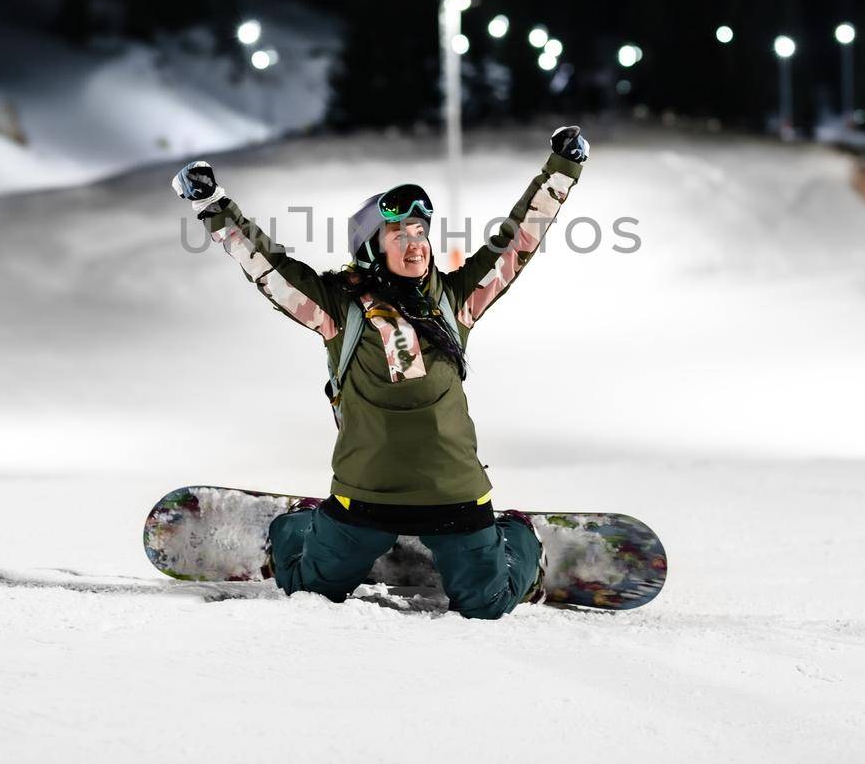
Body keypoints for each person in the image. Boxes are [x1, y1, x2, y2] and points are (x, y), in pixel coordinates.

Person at [171, 125, 589, 619]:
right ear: (372, 246)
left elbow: (518, 238)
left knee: (487, 603)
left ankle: (519, 539)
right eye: (398, 234)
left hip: (453, 492)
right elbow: (268, 266)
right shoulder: (336, 308)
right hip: (365, 493)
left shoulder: (455, 302)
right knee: (313, 589)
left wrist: (562, 170)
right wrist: (212, 204)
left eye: (421, 232)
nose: (415, 245)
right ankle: (300, 526)